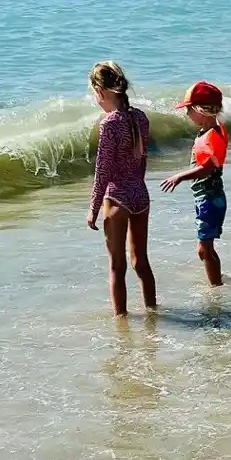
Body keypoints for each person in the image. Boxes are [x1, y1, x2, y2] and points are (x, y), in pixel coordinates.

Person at [88, 61, 156, 316]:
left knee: (117, 267)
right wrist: (137, 184)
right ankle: (152, 310)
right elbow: (143, 159)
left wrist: (93, 209)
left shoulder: (109, 124)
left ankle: (122, 323)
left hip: (117, 197)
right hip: (141, 194)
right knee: (141, 262)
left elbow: (102, 172)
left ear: (101, 91)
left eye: (95, 93)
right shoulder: (140, 117)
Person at [161, 81, 228, 286]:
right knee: (206, 247)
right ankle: (217, 280)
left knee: (204, 249)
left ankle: (215, 288)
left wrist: (180, 176)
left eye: (189, 109)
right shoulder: (210, 132)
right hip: (207, 197)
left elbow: (209, 168)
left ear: (202, 110)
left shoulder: (211, 136)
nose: (187, 114)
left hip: (210, 199)